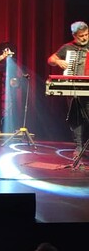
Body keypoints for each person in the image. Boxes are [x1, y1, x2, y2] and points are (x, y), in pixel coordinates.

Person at [48, 21, 89, 157]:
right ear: (74, 35)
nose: (85, 38)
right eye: (81, 36)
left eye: (86, 34)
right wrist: (58, 61)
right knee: (75, 118)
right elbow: (51, 59)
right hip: (73, 86)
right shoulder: (67, 48)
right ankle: (79, 147)